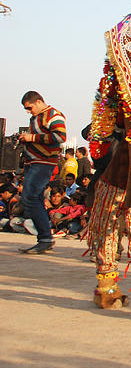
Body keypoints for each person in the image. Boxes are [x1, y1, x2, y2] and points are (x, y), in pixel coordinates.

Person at [17, 91, 67, 254]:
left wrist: (32, 138)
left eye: (30, 107)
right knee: (34, 198)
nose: (29, 111)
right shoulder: (37, 117)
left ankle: (45, 237)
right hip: (35, 162)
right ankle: (45, 237)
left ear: (38, 102)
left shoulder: (53, 114)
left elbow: (60, 136)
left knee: (30, 198)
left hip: (43, 162)